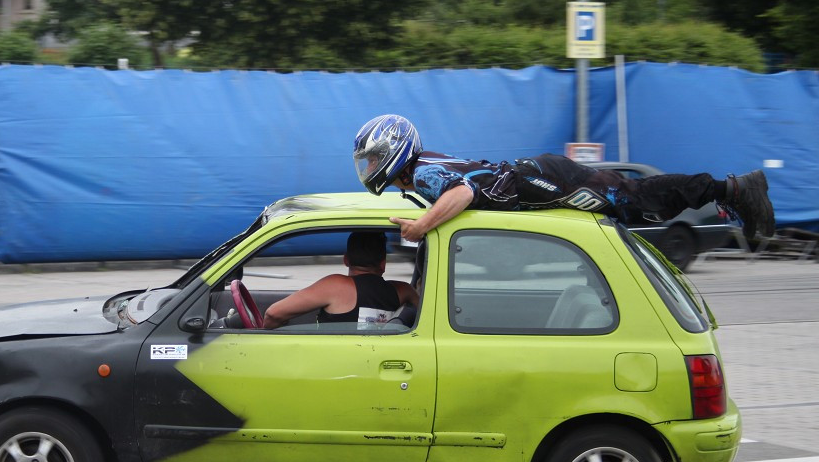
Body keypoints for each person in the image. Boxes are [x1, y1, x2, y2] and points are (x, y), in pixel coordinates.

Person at [352, 114, 776, 243]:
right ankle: (732, 192)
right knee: (636, 208)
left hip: (545, 179)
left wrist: (421, 228)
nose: (370, 169)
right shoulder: (421, 168)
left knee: (638, 200)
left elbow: (463, 191)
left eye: (373, 159)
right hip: (539, 175)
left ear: (395, 150)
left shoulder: (423, 173)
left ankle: (737, 190)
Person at [262, 231, 419, 329]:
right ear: (383, 264)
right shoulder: (403, 290)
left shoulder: (335, 285)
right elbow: (425, 309)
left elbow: (273, 314)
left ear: (346, 260)